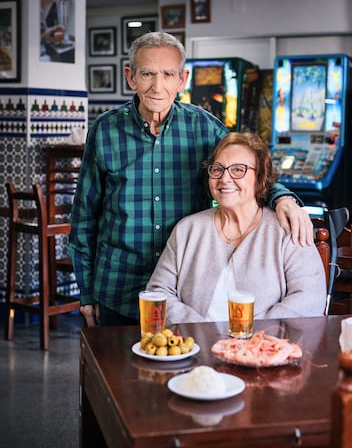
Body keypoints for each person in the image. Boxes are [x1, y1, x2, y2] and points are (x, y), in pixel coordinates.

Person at [69, 32, 313, 328]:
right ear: (130, 77)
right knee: (114, 374)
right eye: (147, 74)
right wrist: (86, 294)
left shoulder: (203, 127)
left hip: (182, 296)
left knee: (177, 373)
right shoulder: (105, 130)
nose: (158, 86)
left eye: (168, 74)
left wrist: (283, 198)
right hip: (118, 290)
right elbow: (84, 219)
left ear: (182, 80)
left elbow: (245, 168)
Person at [146, 132, 326, 324]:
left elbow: (310, 298)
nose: (225, 179)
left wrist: (252, 339)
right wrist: (200, 333)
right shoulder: (187, 230)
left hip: (266, 349)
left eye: (238, 170)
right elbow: (157, 292)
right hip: (194, 348)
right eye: (218, 169)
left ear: (259, 178)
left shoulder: (286, 228)